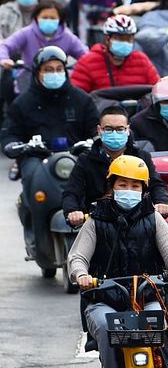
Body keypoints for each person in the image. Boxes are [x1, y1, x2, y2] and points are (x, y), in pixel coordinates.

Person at [67, 154, 168, 368]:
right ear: (111, 188)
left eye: (135, 186)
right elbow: (77, 258)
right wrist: (81, 275)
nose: (129, 191)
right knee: (104, 326)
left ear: (144, 190)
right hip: (103, 299)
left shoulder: (154, 219)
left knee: (157, 321)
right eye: (123, 185)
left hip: (146, 295)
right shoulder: (95, 221)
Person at [2, 46, 99, 243]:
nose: (54, 74)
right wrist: (15, 146)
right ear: (37, 73)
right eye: (48, 70)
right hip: (37, 158)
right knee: (30, 176)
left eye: (58, 69)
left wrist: (95, 141)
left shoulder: (82, 100)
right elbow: (10, 133)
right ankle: (37, 233)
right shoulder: (23, 103)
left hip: (75, 156)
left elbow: (96, 130)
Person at [62, 105, 168, 224]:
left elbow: (156, 184)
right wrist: (73, 211)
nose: (114, 133)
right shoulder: (86, 160)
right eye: (108, 129)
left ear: (128, 130)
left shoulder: (141, 157)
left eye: (120, 129)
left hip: (137, 221)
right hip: (98, 222)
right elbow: (72, 191)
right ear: (99, 130)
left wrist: (162, 202)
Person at [70, 15, 159, 92]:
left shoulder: (141, 60)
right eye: (118, 38)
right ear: (107, 39)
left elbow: (157, 89)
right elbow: (77, 95)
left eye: (128, 39)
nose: (124, 42)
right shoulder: (88, 62)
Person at [0, 0, 87, 73]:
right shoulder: (26, 33)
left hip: (58, 83)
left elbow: (86, 56)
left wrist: (78, 68)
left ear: (60, 20)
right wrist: (4, 59)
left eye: (52, 18)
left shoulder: (68, 37)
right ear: (37, 17)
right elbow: (5, 46)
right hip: (28, 81)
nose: (48, 20)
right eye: (44, 17)